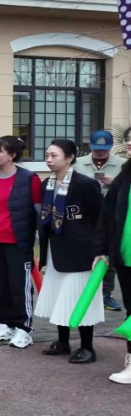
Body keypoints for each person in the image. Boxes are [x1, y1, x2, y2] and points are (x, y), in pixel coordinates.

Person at [36, 139, 105, 364]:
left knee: (80, 297)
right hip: (56, 250)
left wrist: (100, 250)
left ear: (70, 157)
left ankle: (87, 347)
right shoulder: (46, 184)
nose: (49, 159)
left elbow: (100, 219)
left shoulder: (85, 184)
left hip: (82, 251)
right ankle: (63, 341)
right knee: (59, 296)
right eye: (47, 155)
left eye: (54, 155)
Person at [0, 136, 42, 349]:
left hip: (18, 242)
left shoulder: (29, 179)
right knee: (0, 285)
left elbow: (38, 212)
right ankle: (5, 324)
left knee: (19, 286)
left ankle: (24, 329)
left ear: (12, 155)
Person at [73, 130, 124, 311]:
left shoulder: (122, 165)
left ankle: (106, 294)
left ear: (110, 147)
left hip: (111, 216)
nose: (100, 153)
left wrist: (114, 183)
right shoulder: (78, 163)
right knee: (84, 252)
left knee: (107, 255)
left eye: (103, 149)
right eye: (96, 149)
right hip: (85, 216)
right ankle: (83, 292)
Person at [94, 137, 131, 383]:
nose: (129, 145)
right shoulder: (125, 175)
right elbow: (107, 215)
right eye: (129, 141)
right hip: (126, 258)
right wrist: (102, 249)